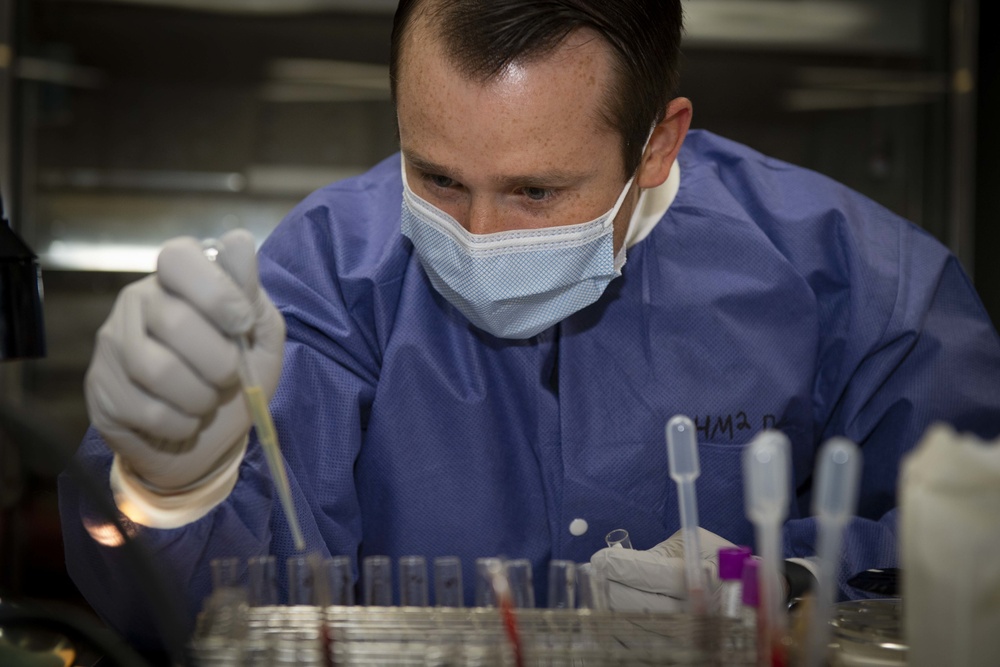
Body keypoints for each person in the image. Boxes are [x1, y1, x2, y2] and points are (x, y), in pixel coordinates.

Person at [61, 0, 1000, 648]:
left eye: (535, 191)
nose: (475, 237)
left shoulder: (860, 282)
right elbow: (200, 622)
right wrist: (166, 492)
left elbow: (973, 551)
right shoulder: (327, 275)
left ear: (658, 141)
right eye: (435, 177)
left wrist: (784, 584)